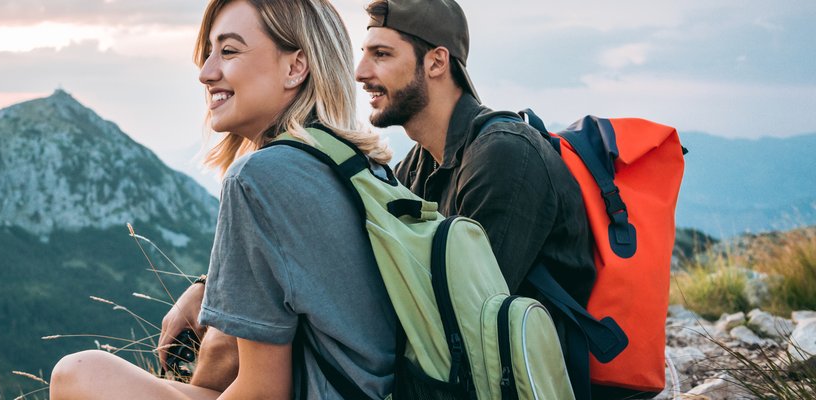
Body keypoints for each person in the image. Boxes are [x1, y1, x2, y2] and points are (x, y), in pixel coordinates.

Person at [50, 0, 398, 399]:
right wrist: (207, 285)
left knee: (79, 373)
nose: (206, 73)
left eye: (228, 51)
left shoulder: (259, 176)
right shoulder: (357, 166)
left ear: (295, 67)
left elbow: (262, 394)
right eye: (208, 53)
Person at [355, 0, 594, 309]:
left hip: (533, 356)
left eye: (381, 54)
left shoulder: (505, 155)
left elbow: (471, 312)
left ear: (437, 62)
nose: (360, 72)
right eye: (364, 54)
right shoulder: (417, 166)